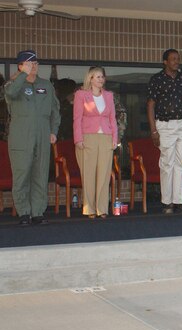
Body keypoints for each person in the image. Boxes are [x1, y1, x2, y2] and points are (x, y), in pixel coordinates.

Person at [3, 50, 60, 226]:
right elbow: (10, 94)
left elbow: (54, 111)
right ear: (20, 66)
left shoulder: (46, 85)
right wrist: (22, 76)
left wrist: (53, 131)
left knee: (40, 174)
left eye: (35, 63)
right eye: (28, 64)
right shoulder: (13, 84)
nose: (33, 66)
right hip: (21, 134)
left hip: (42, 133)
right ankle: (23, 212)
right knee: (22, 174)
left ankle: (37, 211)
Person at [147, 48, 182, 214]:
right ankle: (167, 201)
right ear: (165, 62)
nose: (177, 61)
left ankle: (178, 200)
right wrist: (153, 130)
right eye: (173, 59)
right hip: (164, 124)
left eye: (178, 58)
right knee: (167, 163)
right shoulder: (157, 79)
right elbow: (151, 105)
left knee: (180, 163)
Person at [73, 66, 118, 219]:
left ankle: (102, 208)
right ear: (90, 79)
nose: (101, 79)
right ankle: (89, 208)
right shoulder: (81, 95)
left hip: (105, 137)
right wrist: (78, 139)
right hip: (88, 137)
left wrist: (114, 138)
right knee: (89, 173)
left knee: (104, 174)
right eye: (97, 77)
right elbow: (77, 118)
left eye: (102, 77)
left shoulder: (109, 96)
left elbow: (113, 119)